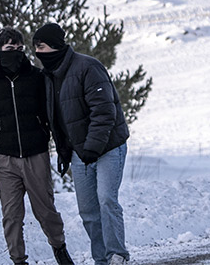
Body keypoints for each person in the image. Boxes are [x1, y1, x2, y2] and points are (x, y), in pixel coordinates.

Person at [33, 22, 131, 265]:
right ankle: (101, 259)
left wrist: (93, 147)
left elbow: (104, 110)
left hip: (107, 147)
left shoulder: (87, 67)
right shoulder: (48, 77)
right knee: (88, 211)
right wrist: (65, 152)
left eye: (42, 47)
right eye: (35, 48)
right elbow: (59, 120)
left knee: (107, 199)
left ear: (55, 46)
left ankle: (117, 255)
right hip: (81, 152)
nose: (38, 53)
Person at [0, 27, 73, 265]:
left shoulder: (38, 77)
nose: (15, 53)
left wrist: (61, 149)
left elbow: (52, 115)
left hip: (36, 154)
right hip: (5, 159)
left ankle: (59, 248)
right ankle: (18, 260)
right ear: (0, 50)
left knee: (46, 210)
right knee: (11, 215)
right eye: (10, 48)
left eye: (19, 48)